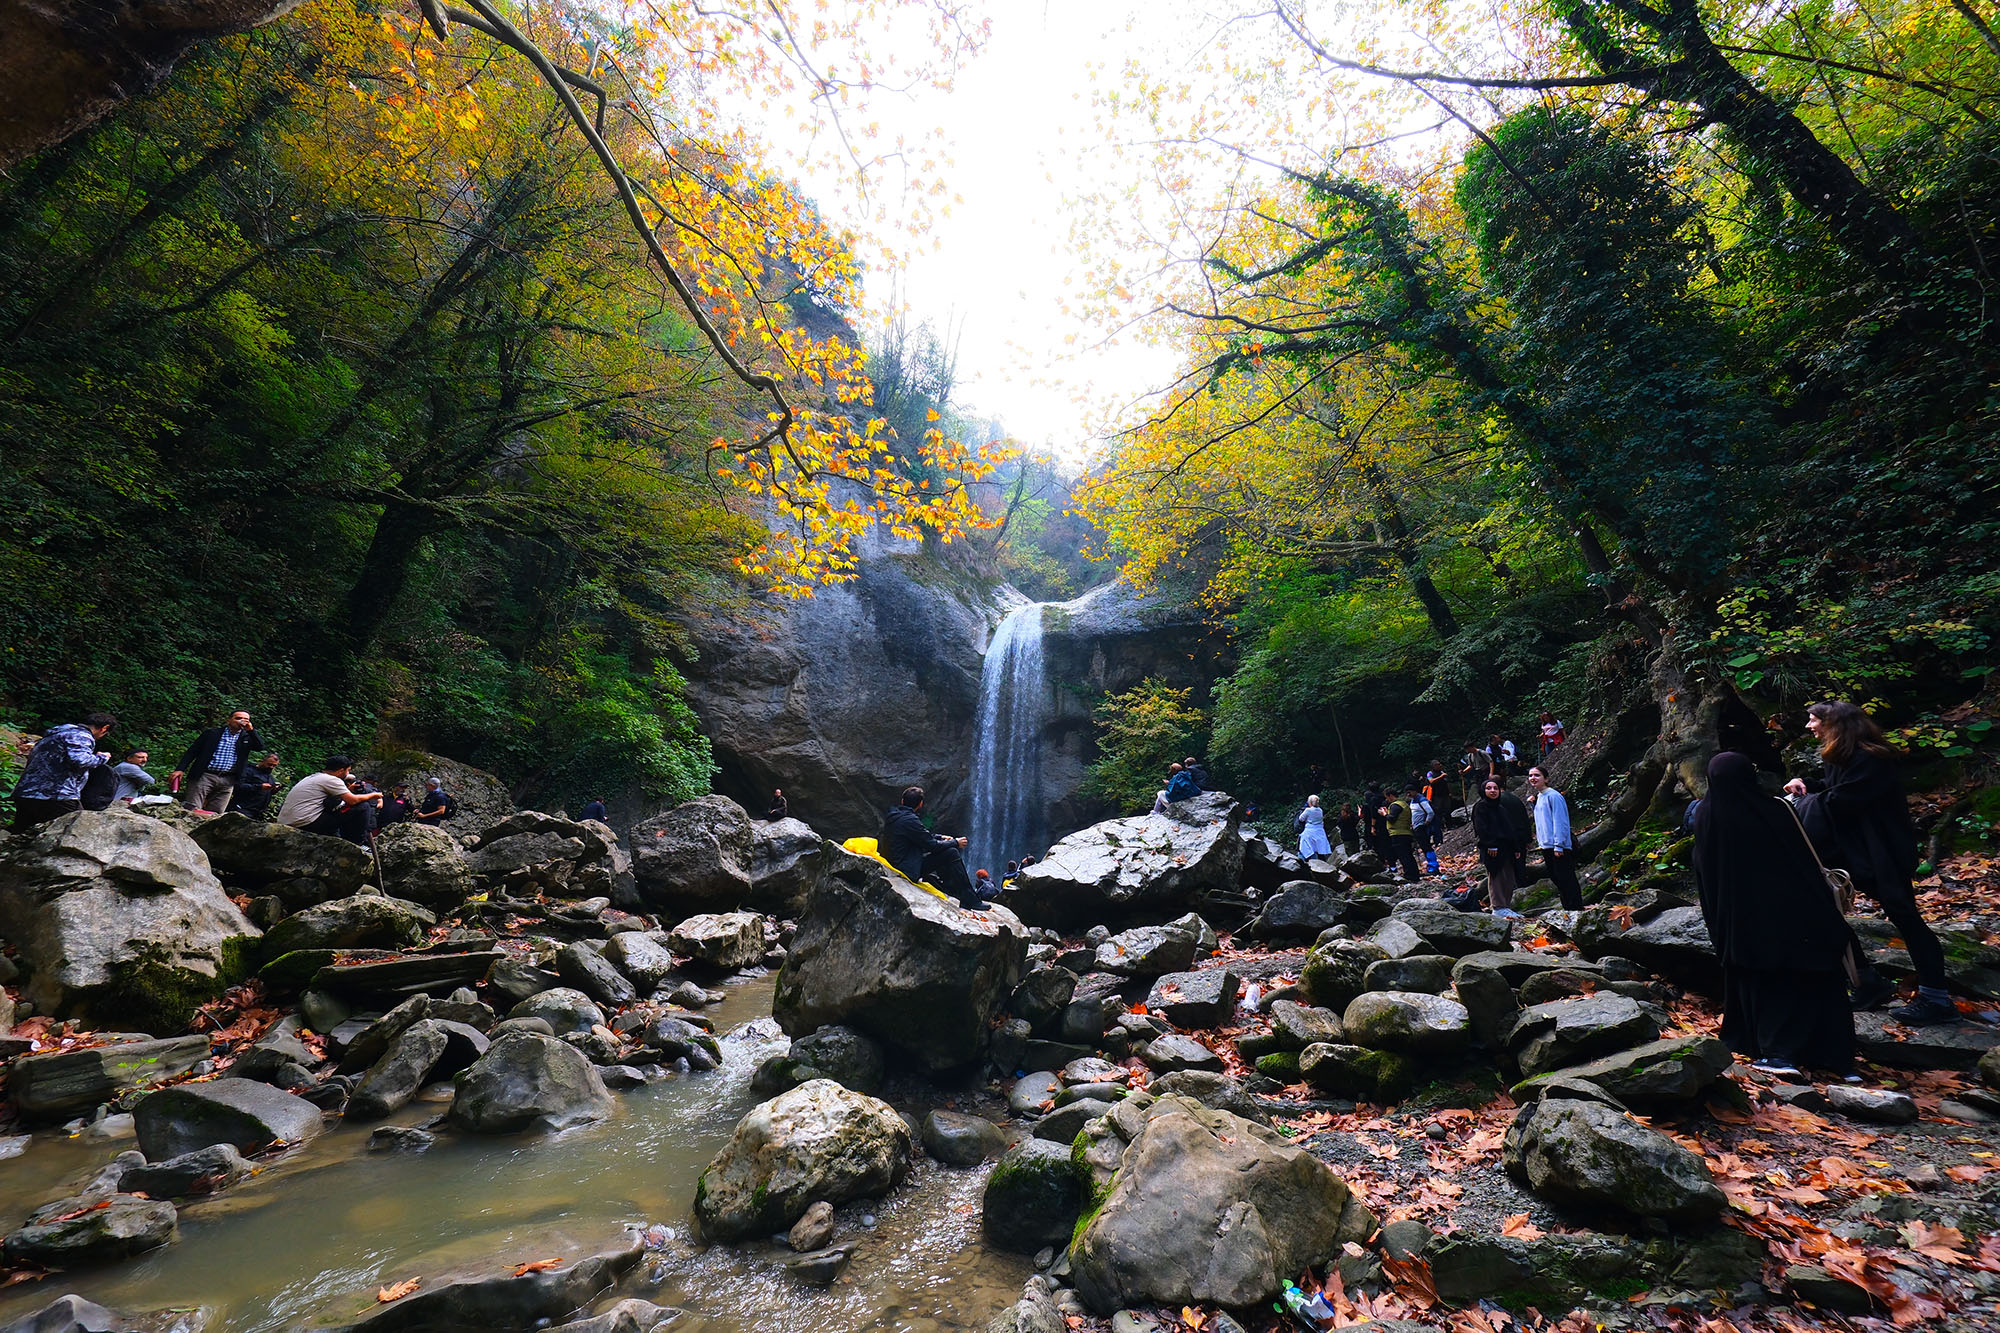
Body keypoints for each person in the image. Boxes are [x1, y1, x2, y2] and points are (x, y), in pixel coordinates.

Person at [1786, 701, 1954, 1024]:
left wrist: (1801, 804)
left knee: (1907, 919)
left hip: (1883, 854)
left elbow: (1842, 801)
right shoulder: (1844, 756)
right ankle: (1866, 981)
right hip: (1856, 852)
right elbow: (1834, 790)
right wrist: (1807, 785)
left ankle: (1936, 998)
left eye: (1813, 720)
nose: (1809, 726)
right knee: (1822, 909)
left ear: (1835, 724)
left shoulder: (1872, 759)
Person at [1697, 751, 1855, 1076]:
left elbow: (1706, 875)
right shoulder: (1775, 810)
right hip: (1803, 914)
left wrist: (1720, 928)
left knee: (1767, 984)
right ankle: (1838, 1058)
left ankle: (1777, 1053)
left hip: (1746, 923)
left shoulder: (1709, 816)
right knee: (1817, 981)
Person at [10, 713, 115, 830]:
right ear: (104, 728)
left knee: (22, 834)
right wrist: (102, 757)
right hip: (55, 796)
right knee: (78, 830)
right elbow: (80, 760)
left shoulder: (55, 734)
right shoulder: (80, 735)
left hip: (26, 792)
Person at [882, 786, 980, 907]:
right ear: (920, 804)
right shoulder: (910, 820)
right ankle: (970, 899)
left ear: (902, 801)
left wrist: (940, 837)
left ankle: (952, 891)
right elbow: (932, 846)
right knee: (951, 853)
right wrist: (956, 842)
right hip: (906, 869)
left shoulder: (894, 816)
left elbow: (920, 836)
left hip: (897, 863)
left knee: (944, 851)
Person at [171, 709, 266, 813]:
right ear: (229, 720)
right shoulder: (212, 733)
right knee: (192, 809)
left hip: (228, 779)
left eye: (246, 719)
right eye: (238, 718)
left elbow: (260, 747)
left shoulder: (247, 737)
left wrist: (251, 731)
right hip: (205, 775)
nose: (242, 721)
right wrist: (180, 769)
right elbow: (192, 751)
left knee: (217, 813)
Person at [276, 755, 382, 835]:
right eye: (348, 770)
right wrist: (373, 795)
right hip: (305, 822)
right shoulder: (332, 780)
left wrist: (349, 789)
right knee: (362, 807)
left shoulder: (313, 777)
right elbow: (352, 800)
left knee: (333, 805)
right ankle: (357, 842)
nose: (348, 774)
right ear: (341, 770)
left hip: (288, 821)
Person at [1526, 764, 1581, 911]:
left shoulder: (1554, 796)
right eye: (1530, 775)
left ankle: (1575, 908)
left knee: (1566, 877)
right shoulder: (1540, 796)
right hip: (1546, 845)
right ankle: (1567, 908)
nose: (1533, 778)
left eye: (1537, 775)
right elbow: (1543, 819)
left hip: (1558, 846)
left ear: (1546, 779)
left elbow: (1560, 821)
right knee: (1557, 878)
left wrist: (1559, 845)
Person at [1472, 777, 1527, 918]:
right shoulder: (1481, 807)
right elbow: (1481, 829)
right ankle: (1497, 906)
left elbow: (1509, 829)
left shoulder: (1500, 808)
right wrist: (1491, 845)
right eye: (1489, 788)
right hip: (1492, 849)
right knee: (1497, 876)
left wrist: (1516, 848)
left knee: (1508, 877)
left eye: (1495, 788)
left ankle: (1505, 906)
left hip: (1506, 848)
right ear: (1483, 791)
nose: (1492, 791)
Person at [1382, 787, 1420, 881]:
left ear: (1391, 796)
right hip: (1405, 832)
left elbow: (1392, 818)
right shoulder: (1403, 804)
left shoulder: (1395, 805)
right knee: (1408, 854)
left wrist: (1384, 814)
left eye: (1387, 797)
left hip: (1398, 833)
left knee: (1404, 855)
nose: (1387, 800)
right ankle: (1414, 874)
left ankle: (1410, 875)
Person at [231, 754, 282, 819]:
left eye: (274, 765)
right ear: (263, 761)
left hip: (257, 812)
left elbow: (266, 792)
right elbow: (238, 787)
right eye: (269, 764)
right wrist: (259, 787)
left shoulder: (269, 777)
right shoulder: (249, 771)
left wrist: (274, 790)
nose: (271, 767)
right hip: (242, 808)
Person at [339, 775, 383, 845]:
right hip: (349, 822)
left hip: (365, 822)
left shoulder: (366, 789)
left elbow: (378, 799)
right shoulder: (340, 791)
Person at [1409, 783, 1439, 877]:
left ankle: (1433, 867)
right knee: (1424, 847)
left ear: (1414, 791)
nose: (1408, 794)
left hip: (1422, 827)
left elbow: (1430, 812)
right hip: (1416, 827)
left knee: (1427, 847)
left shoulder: (1422, 800)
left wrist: (1426, 822)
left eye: (1409, 792)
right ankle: (1430, 867)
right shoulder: (1413, 800)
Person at [1297, 794, 1334, 859]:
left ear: (1310, 802)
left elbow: (1301, 819)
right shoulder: (1320, 810)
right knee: (1318, 847)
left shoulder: (1308, 810)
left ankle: (1303, 860)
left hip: (1309, 831)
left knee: (1305, 846)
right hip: (1320, 831)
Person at [1458, 742, 1490, 814]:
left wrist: (1491, 773)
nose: (1467, 751)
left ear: (1472, 747)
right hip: (1478, 773)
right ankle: (1485, 803)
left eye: (1468, 749)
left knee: (1486, 788)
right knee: (1480, 790)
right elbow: (1470, 765)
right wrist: (1463, 771)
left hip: (1485, 772)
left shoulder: (1482, 753)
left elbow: (1490, 762)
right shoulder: (1470, 755)